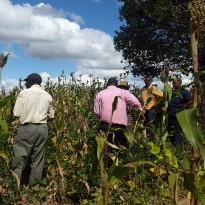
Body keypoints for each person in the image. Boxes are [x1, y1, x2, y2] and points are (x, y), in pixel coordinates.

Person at [12, 73, 55, 185]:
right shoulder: (47, 95)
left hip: (27, 128)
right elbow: (51, 116)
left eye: (27, 81)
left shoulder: (24, 93)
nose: (25, 83)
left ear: (30, 82)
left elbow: (16, 113)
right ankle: (34, 188)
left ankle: (15, 186)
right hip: (42, 129)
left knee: (20, 156)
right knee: (38, 159)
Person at [94, 78, 143, 149]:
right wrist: (140, 111)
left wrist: (101, 119)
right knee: (119, 147)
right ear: (117, 85)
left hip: (104, 126)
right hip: (119, 127)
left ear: (107, 84)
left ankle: (106, 159)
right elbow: (136, 103)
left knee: (104, 149)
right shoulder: (123, 92)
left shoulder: (100, 94)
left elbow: (97, 112)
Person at [167, 78, 192, 146]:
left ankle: (180, 146)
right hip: (171, 113)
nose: (173, 84)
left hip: (179, 114)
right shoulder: (172, 92)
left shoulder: (184, 91)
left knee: (178, 130)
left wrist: (184, 106)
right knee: (170, 129)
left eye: (175, 83)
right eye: (173, 83)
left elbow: (190, 100)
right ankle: (173, 144)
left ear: (180, 83)